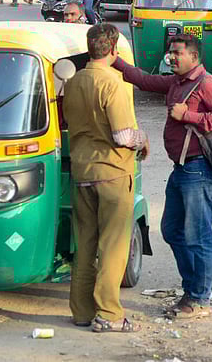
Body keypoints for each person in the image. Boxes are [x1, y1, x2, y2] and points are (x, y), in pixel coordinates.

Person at [112, 33, 212, 319]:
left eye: (178, 53)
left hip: (200, 169)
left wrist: (187, 116)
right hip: (181, 169)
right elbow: (143, 80)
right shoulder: (176, 83)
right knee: (172, 230)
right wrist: (113, 59)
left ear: (194, 56)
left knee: (197, 234)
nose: (172, 57)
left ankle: (199, 298)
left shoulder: (207, 84)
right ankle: (192, 289)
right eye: (170, 53)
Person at [63, 23, 147, 333]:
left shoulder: (72, 82)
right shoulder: (112, 83)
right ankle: (110, 313)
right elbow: (123, 135)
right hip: (112, 173)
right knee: (113, 246)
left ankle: (81, 311)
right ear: (113, 50)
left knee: (84, 244)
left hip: (82, 172)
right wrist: (144, 139)